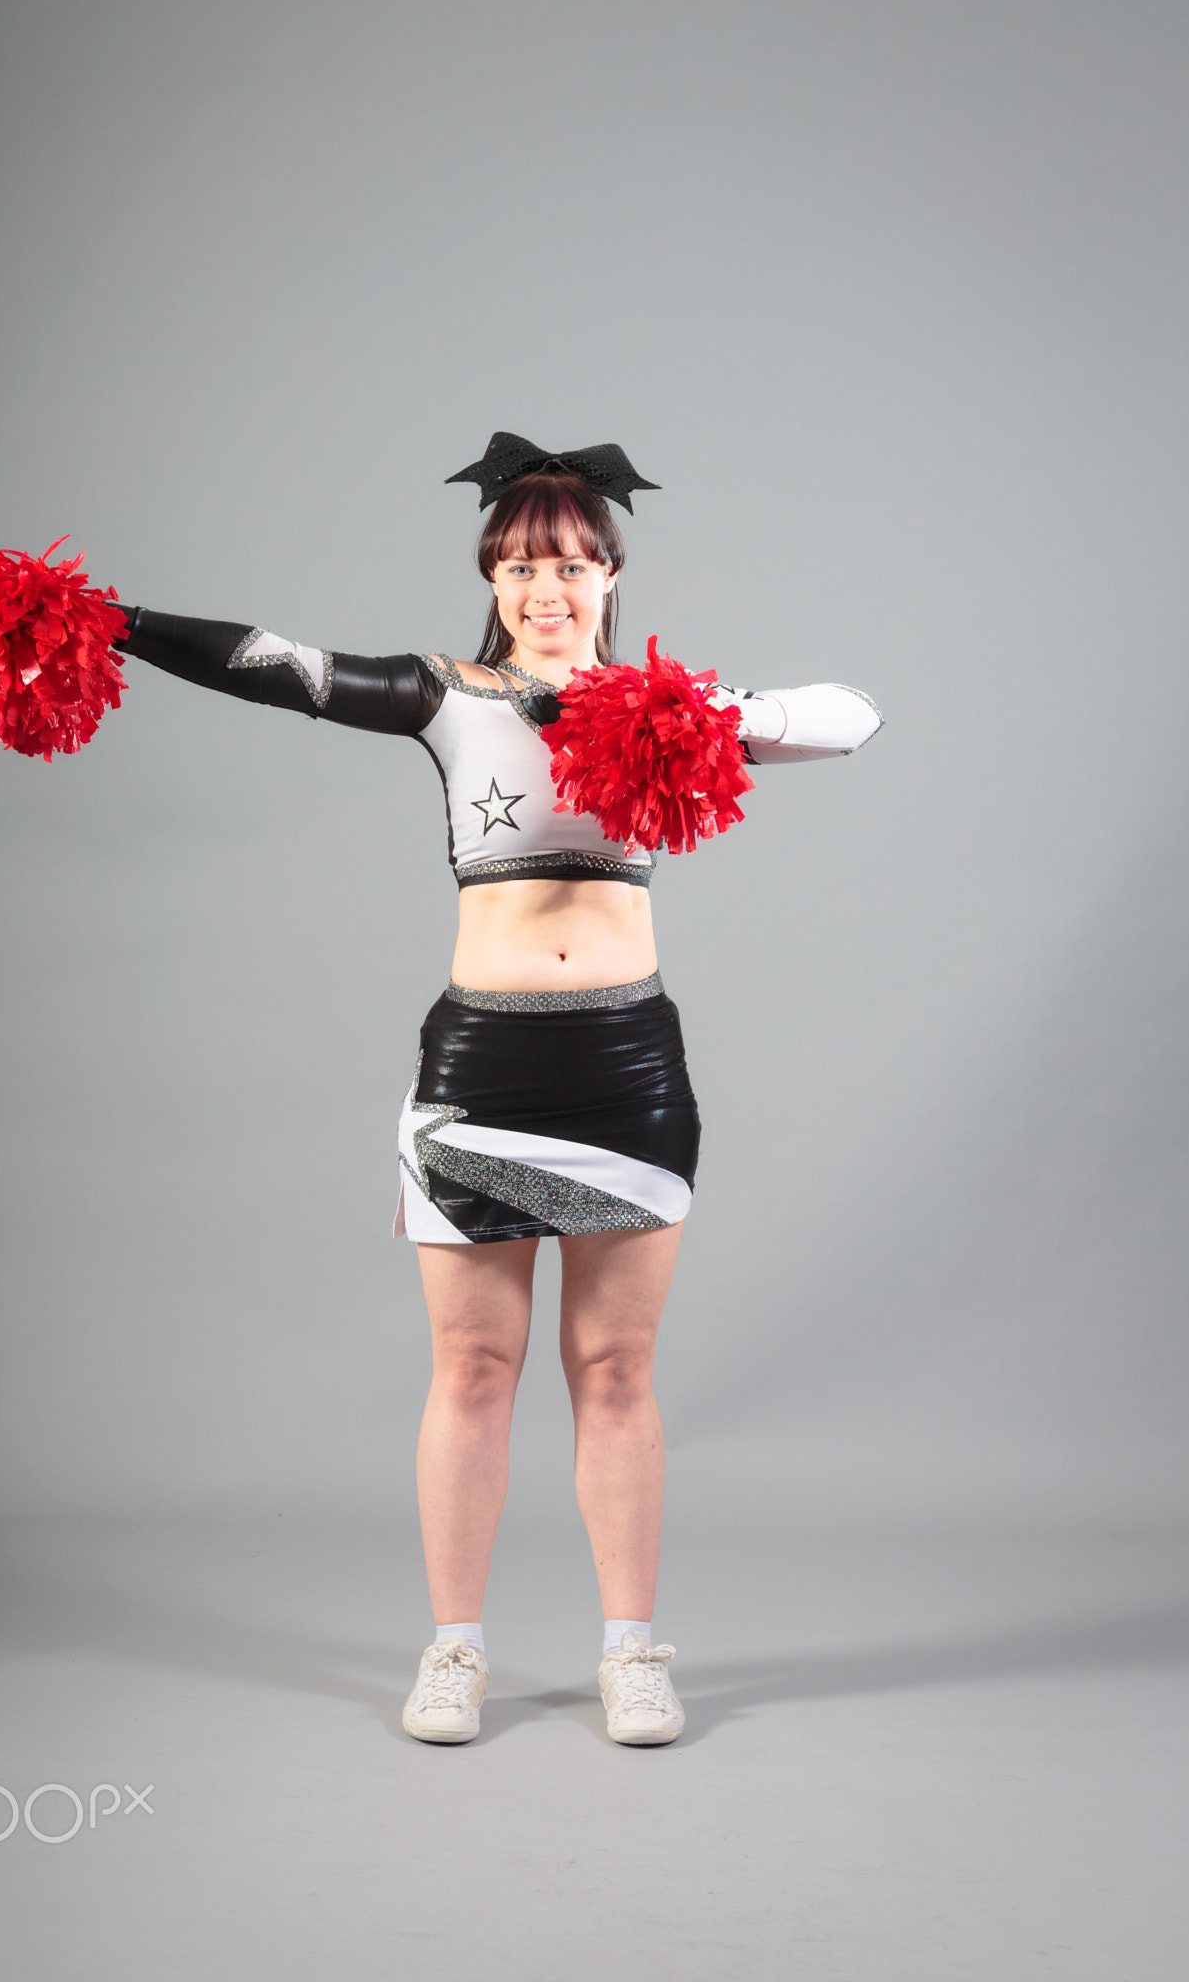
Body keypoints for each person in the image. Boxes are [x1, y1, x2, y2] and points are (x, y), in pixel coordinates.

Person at [111, 431, 883, 1747]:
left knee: (617, 1367)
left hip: (628, 1067)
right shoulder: (445, 697)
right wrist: (107, 618)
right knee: (472, 1365)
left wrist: (701, 715)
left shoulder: (667, 717)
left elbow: (851, 717)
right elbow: (274, 666)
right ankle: (453, 1650)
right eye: (525, 562)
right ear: (491, 572)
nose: (548, 586)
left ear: (612, 577)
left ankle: (629, 1653)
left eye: (575, 564)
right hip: (478, 1067)